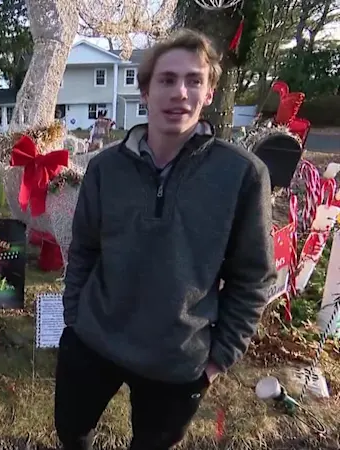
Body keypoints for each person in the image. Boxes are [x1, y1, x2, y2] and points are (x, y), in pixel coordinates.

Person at [55, 29, 276, 450]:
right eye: (167, 79)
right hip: (95, 339)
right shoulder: (105, 169)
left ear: (209, 92)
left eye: (194, 80)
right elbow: (84, 248)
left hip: (177, 359)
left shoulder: (242, 176)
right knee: (72, 433)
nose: (180, 93)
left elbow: (253, 277)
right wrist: (75, 317)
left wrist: (217, 360)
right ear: (145, 90)